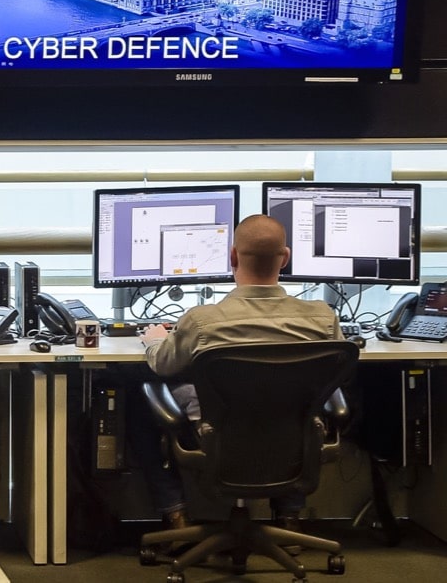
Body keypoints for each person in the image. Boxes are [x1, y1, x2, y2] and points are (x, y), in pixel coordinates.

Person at [132, 214, 343, 541]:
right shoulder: (322, 318)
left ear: (232, 256)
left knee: (140, 398)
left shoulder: (203, 320)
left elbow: (163, 365)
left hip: (216, 439)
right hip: (293, 442)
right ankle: (289, 517)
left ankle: (176, 515)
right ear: (284, 258)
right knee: (301, 403)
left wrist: (155, 338)